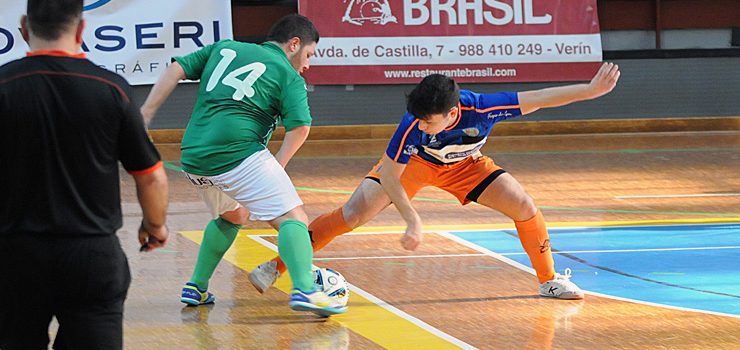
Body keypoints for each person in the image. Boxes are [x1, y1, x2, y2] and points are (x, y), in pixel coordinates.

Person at [250, 63, 622, 300]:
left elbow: (540, 97)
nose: (422, 125)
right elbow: (393, 176)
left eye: (430, 121)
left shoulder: (484, 108)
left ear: (452, 112)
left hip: (466, 166)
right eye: (420, 120)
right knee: (352, 214)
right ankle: (276, 265)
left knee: (524, 206)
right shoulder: (412, 124)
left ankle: (549, 280)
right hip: (415, 167)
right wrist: (412, 218)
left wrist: (589, 90)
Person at [140, 14, 345, 316]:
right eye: (309, 55)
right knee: (294, 218)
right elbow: (300, 128)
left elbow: (175, 69)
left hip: (194, 154)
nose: (308, 65)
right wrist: (278, 166)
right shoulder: (288, 76)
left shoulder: (224, 48)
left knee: (234, 215)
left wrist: (144, 114)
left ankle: (196, 286)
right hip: (237, 152)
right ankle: (305, 289)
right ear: (294, 44)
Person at [0, 0, 170, 349]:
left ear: (24, 28)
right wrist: (155, 226)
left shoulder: (5, 84)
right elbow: (151, 176)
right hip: (91, 257)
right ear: (81, 29)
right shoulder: (112, 88)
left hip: (14, 257)